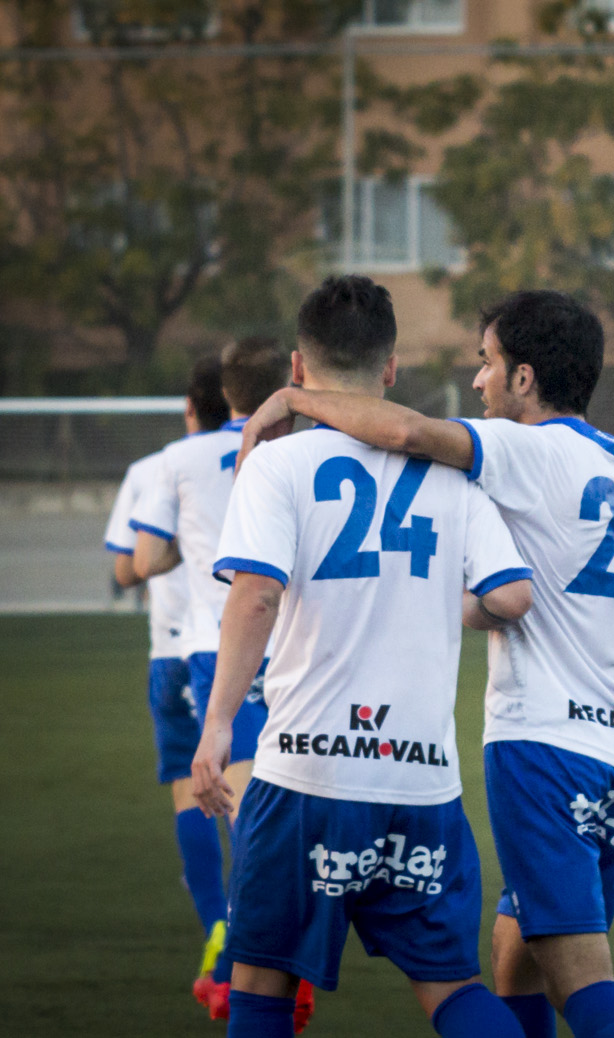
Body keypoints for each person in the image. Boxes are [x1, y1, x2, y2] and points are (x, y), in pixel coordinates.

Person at [239, 289, 614, 1038]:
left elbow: (404, 430)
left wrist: (294, 399)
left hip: (545, 745)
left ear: (525, 377)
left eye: (487, 363)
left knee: (583, 984)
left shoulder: (528, 451)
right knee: (514, 958)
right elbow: (514, 592)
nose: (477, 380)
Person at [188, 274, 534, 1038]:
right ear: (391, 368)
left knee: (261, 986)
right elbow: (512, 596)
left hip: (304, 774)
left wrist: (216, 725)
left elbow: (255, 595)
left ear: (297, 367)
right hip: (418, 778)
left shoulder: (275, 464)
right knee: (453, 990)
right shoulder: (453, 474)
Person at [130, 334, 294, 1018]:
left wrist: (195, 552)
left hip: (215, 646)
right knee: (286, 793)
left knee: (225, 795)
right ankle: (270, 948)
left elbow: (141, 562)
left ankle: (239, 949)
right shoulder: (304, 449)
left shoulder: (178, 459)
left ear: (224, 394)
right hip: (298, 642)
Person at [104, 357, 230, 992]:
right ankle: (263, 930)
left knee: (190, 790)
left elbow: (127, 570)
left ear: (189, 409)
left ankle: (219, 925)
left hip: (173, 650)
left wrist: (178, 546)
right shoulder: (264, 458)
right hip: (244, 645)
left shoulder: (152, 469)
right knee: (249, 783)